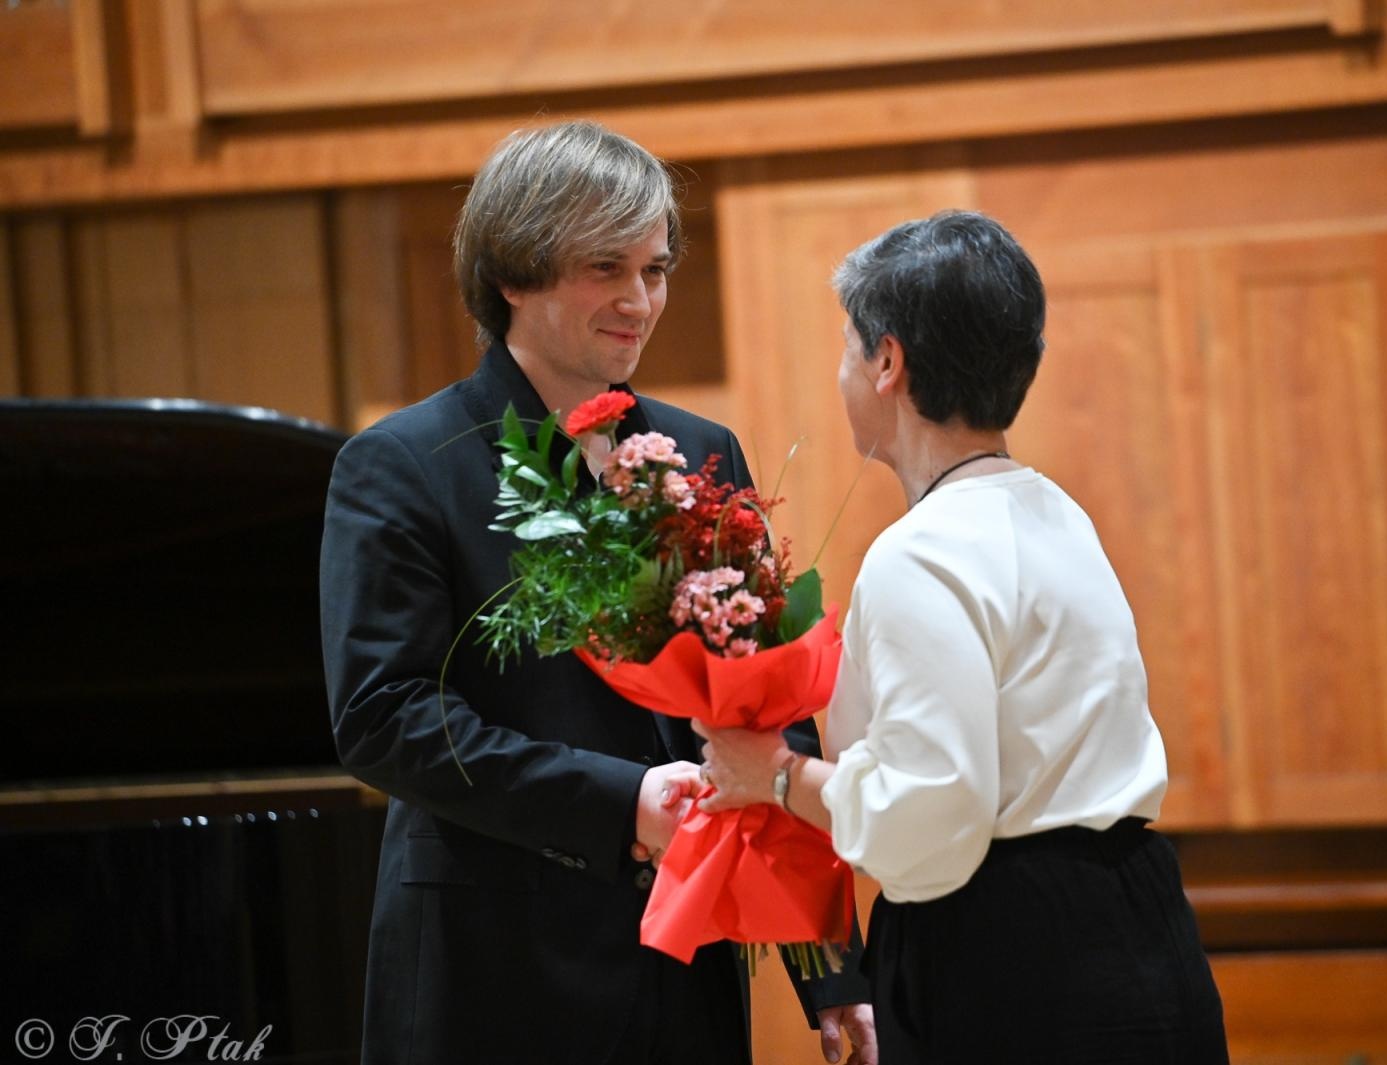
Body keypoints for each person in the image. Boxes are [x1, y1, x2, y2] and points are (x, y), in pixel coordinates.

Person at [320, 120, 873, 1065]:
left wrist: (829, 970)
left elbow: (768, 711)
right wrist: (624, 803)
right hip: (495, 979)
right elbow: (385, 716)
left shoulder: (705, 450)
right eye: (605, 268)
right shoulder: (405, 464)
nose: (640, 300)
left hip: (684, 976)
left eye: (655, 269)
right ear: (514, 272)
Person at [695, 210, 1230, 1063]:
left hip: (1014, 966)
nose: (842, 369)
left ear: (888, 361)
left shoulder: (922, 553)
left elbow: (930, 821)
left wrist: (778, 774)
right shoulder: (1059, 512)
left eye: (847, 344)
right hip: (1137, 924)